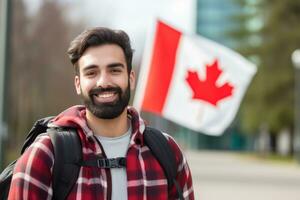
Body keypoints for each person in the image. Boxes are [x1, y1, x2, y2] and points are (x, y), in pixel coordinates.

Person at [8, 27, 194, 199]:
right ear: (78, 84)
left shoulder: (168, 152)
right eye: (91, 73)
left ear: (131, 78)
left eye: (114, 70)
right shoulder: (46, 154)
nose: (103, 82)